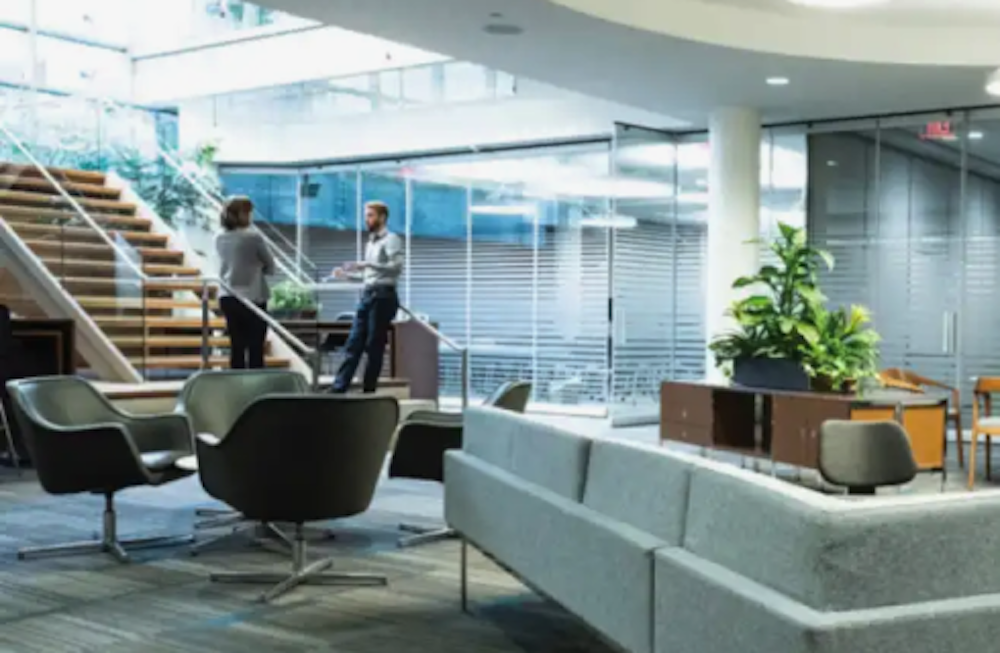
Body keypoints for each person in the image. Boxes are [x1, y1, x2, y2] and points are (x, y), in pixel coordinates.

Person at [330, 200, 403, 393]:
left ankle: (368, 390)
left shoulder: (391, 239)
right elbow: (368, 276)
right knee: (354, 343)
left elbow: (396, 267)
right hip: (368, 295)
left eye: (370, 215)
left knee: (373, 346)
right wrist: (347, 275)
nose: (367, 219)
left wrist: (367, 264)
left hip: (383, 297)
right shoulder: (370, 242)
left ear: (382, 217)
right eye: (366, 216)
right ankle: (339, 388)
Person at [216, 196, 275, 369]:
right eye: (248, 212)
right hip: (252, 296)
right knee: (255, 347)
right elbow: (270, 266)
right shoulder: (253, 237)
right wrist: (257, 269)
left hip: (227, 295)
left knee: (237, 347)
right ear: (240, 214)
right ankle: (256, 389)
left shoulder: (219, 237)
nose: (250, 216)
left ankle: (237, 387)